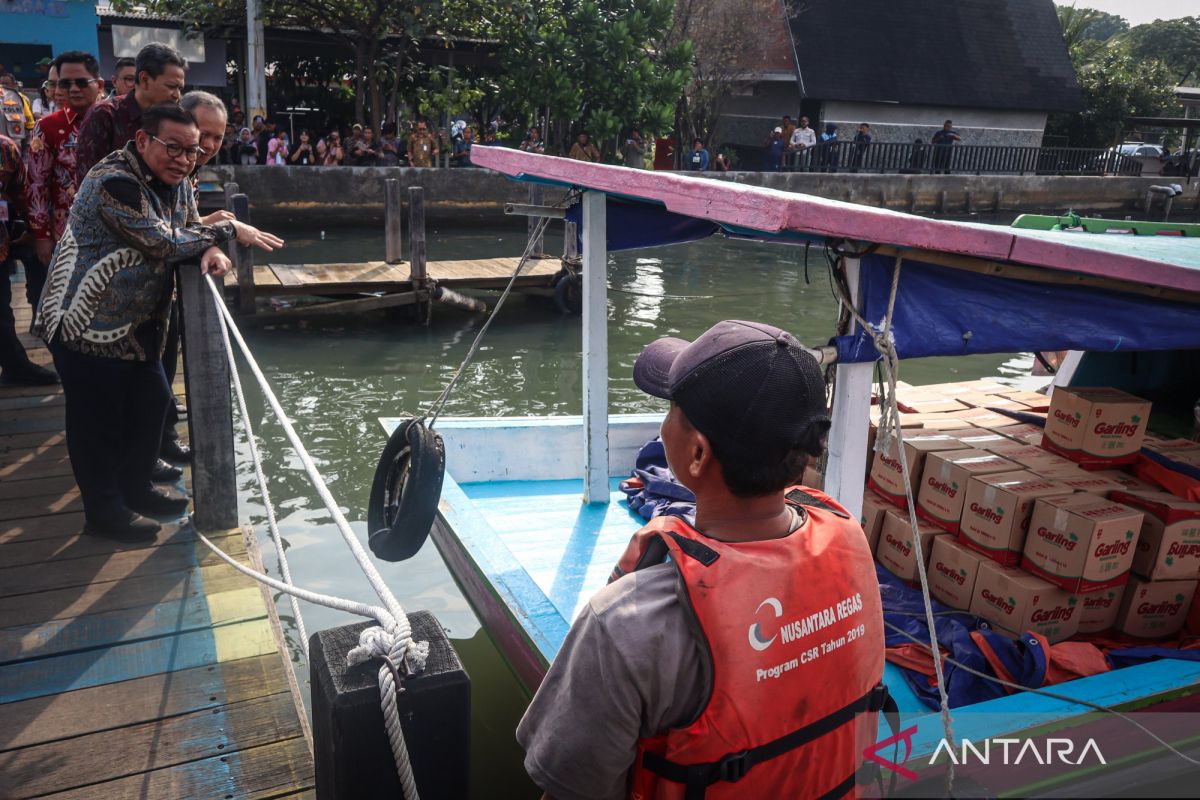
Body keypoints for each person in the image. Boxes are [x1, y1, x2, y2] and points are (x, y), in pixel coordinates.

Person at [517, 319, 886, 800]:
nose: (664, 420)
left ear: (696, 454)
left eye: (672, 409)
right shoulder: (849, 538)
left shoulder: (628, 625)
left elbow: (570, 789)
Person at [32, 104, 283, 540]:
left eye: (192, 150)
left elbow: (185, 228)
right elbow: (162, 240)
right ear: (143, 140)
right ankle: (104, 513)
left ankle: (137, 487)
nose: (186, 158)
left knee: (153, 403)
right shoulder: (113, 181)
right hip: (83, 324)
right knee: (97, 425)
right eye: (174, 148)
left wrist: (205, 246)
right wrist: (226, 232)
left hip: (136, 327)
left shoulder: (179, 179)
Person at [26, 51, 104, 309]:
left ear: (99, 84)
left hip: (119, 232)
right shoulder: (48, 126)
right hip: (67, 236)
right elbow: (36, 184)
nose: (73, 89)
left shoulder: (117, 119)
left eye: (81, 82)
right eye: (64, 83)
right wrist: (42, 235)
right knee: (70, 307)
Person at [76, 42, 187, 185]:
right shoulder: (104, 115)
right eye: (171, 86)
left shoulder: (174, 120)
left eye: (180, 88)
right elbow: (87, 180)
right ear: (144, 79)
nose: (177, 95)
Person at [0, 134, 59, 385]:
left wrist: (35, 232)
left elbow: (21, 193)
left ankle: (15, 367)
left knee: (2, 311)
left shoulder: (5, 149)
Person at [0, 73, 34, 148]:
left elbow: (29, 126)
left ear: (14, 84)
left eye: (5, 84)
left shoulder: (21, 99)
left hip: (13, 147)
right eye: (1, 83)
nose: (3, 86)